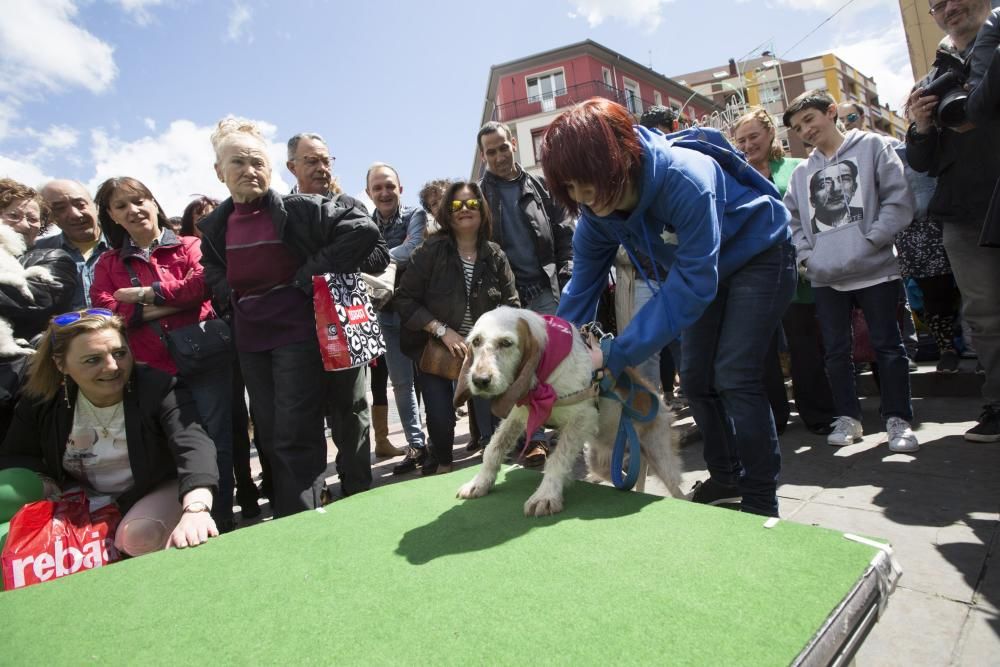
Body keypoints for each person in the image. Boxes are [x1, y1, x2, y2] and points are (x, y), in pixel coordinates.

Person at [542, 98, 796, 518]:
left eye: (589, 181)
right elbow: (581, 289)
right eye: (570, 187)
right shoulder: (595, 214)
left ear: (622, 155)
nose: (583, 196)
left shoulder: (685, 178)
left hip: (760, 256)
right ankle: (726, 476)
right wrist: (550, 356)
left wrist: (614, 354)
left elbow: (693, 286)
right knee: (695, 378)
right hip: (699, 273)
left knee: (734, 374)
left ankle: (759, 495)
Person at [199, 117, 387, 517]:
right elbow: (211, 266)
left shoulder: (298, 210)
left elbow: (366, 235)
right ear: (219, 172)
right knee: (268, 431)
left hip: (304, 331)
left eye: (256, 162)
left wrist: (307, 277)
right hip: (251, 339)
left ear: (269, 169)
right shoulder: (215, 226)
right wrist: (229, 297)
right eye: (237, 163)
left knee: (307, 426)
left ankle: (317, 509)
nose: (249, 171)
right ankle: (298, 511)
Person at [0, 310, 219, 555]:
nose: (112, 367)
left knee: (139, 536)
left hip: (147, 494)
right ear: (60, 364)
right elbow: (16, 455)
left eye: (120, 353)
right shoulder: (42, 399)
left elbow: (193, 444)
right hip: (77, 496)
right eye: (93, 360)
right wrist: (46, 483)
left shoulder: (160, 388)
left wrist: (196, 509)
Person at [89, 176, 236, 530]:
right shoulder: (108, 263)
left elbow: (202, 286)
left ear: (154, 202)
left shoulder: (189, 244)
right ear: (112, 215)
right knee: (173, 447)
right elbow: (106, 311)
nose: (134, 210)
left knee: (218, 442)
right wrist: (173, 301)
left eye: (139, 200)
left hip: (205, 359)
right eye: (121, 205)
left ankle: (222, 521)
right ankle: (182, 523)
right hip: (152, 369)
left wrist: (141, 296)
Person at [782, 90, 918, 452]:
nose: (805, 130)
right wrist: (807, 260)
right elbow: (792, 223)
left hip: (877, 271)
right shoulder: (801, 173)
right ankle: (848, 417)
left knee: (888, 347)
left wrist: (873, 239)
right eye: (798, 127)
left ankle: (898, 419)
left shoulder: (872, 146)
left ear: (830, 112)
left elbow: (897, 196)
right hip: (827, 278)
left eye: (809, 120)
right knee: (836, 352)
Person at [906, 0, 1000, 442]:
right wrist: (921, 126)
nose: (950, 7)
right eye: (938, 4)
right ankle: (998, 403)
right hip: (964, 214)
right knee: (983, 315)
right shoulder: (930, 82)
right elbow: (922, 163)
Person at [394, 181, 519, 474]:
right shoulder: (430, 250)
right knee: (440, 418)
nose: (465, 210)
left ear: (482, 209)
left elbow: (512, 304)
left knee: (495, 414)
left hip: (483, 352)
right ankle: (443, 465)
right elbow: (404, 298)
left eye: (472, 204)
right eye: (456, 205)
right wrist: (441, 330)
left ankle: (495, 465)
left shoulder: (495, 255)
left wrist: (492, 339)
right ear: (447, 213)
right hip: (438, 348)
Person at [733, 108, 835, 435]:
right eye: (741, 140)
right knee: (761, 352)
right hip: (751, 278)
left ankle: (818, 413)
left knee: (805, 347)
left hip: (796, 272)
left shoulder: (797, 169)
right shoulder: (733, 176)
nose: (748, 145)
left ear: (770, 134)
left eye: (754, 137)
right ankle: (774, 418)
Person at [478, 120, 574, 465]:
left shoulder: (541, 184)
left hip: (547, 285)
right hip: (508, 298)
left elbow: (564, 231)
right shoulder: (480, 195)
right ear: (483, 155)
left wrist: (566, 271)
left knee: (555, 363)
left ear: (513, 145)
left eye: (504, 147)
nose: (499, 156)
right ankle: (532, 439)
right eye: (491, 151)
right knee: (516, 368)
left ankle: (563, 428)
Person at [363, 163, 427, 470]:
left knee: (434, 376)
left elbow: (414, 247)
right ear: (369, 193)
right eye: (378, 188)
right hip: (386, 314)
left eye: (389, 186)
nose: (384, 192)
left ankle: (443, 436)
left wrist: (378, 260)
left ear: (400, 188)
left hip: (422, 311)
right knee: (402, 384)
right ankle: (416, 444)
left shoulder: (416, 215)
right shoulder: (363, 224)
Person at [37, 180, 110, 310]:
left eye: (80, 204)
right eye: (60, 209)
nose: (75, 214)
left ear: (95, 206)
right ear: (48, 216)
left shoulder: (127, 243)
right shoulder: (37, 252)